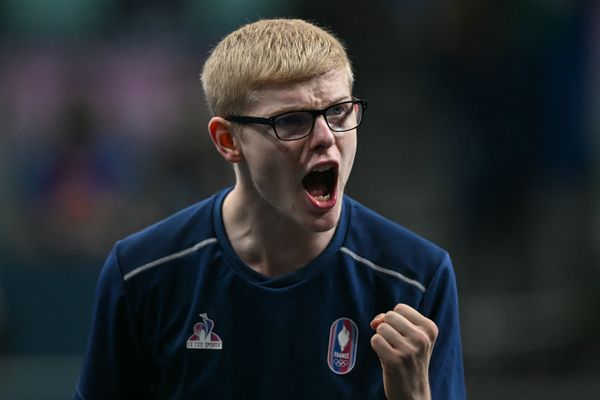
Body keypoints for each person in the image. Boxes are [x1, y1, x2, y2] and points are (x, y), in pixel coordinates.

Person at [73, 18, 465, 399]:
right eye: (292, 121)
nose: (327, 137)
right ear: (228, 140)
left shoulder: (416, 278)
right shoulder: (143, 272)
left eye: (339, 111)